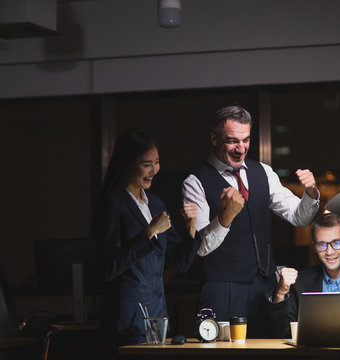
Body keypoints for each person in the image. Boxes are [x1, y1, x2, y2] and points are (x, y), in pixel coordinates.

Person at [182, 105, 320, 337]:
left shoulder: (263, 172)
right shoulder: (195, 182)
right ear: (214, 138)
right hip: (221, 289)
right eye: (232, 141)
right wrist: (225, 217)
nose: (241, 149)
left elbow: (299, 216)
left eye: (246, 140)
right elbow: (201, 248)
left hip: (263, 287)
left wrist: (312, 193)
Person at [92, 129, 201, 346]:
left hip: (158, 318)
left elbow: (180, 264)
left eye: (157, 162)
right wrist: (149, 232)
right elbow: (108, 268)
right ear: (128, 165)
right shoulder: (114, 206)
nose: (154, 170)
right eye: (146, 164)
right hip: (127, 321)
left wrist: (191, 224)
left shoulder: (156, 203)